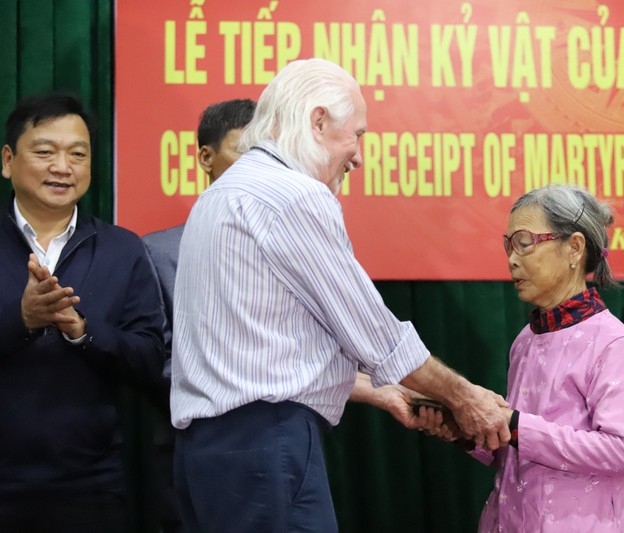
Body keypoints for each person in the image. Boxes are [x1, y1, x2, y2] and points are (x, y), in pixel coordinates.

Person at [169, 57, 510, 532]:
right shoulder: (293, 196)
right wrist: (466, 397)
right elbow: (376, 334)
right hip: (267, 450)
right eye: (358, 135)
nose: (359, 157)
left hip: (209, 457)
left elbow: (263, 348)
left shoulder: (221, 195)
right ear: (318, 121)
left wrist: (382, 392)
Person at [423, 184, 624, 532]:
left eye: (524, 243)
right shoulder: (526, 340)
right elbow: (518, 452)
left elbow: (621, 451)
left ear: (573, 248)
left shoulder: (612, 343)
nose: (512, 259)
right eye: (510, 246)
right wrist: (468, 431)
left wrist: (516, 425)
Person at [0, 93, 165, 530]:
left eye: (78, 154)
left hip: (91, 484)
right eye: (45, 152)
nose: (62, 166)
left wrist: (82, 331)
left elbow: (151, 359)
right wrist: (22, 322)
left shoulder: (122, 249)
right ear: (7, 160)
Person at [142, 98, 255, 533]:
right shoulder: (159, 252)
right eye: (243, 150)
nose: (256, 166)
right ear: (205, 157)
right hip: (189, 445)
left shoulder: (289, 247)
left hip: (279, 443)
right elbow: (154, 355)